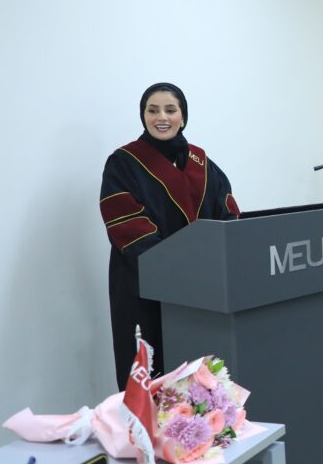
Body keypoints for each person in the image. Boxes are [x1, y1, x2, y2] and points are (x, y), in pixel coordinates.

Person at [99, 83, 239, 390]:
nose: (161, 117)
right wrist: (175, 268)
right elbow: (126, 224)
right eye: (153, 110)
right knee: (150, 373)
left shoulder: (202, 163)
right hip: (143, 285)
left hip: (199, 288)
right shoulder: (124, 163)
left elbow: (227, 213)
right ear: (143, 116)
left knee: (197, 373)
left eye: (170, 110)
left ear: (182, 117)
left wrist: (215, 260)